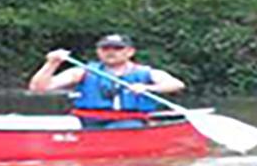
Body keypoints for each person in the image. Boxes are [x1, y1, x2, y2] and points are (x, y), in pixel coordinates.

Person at [28, 34, 186, 129]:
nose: (110, 52)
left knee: (125, 127)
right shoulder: (82, 71)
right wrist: (51, 63)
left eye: (117, 49)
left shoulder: (147, 73)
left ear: (130, 52)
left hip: (130, 123)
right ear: (98, 52)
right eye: (105, 49)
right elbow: (38, 88)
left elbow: (176, 84)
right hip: (89, 123)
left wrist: (147, 88)